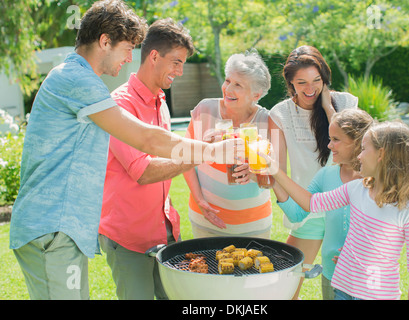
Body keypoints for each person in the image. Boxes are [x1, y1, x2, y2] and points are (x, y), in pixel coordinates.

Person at [9, 0, 241, 300]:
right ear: (104, 41)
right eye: (127, 48)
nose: (131, 58)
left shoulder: (77, 79)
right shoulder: (77, 80)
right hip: (52, 228)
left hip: (60, 229)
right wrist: (214, 152)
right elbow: (147, 140)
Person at [264, 120, 409, 300]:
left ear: (381, 154)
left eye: (364, 149)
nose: (359, 156)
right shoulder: (356, 189)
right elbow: (311, 203)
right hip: (342, 289)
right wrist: (274, 169)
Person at [98, 18, 196, 300]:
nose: (179, 71)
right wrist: (198, 155)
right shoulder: (120, 105)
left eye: (183, 64)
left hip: (164, 231)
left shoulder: (160, 101)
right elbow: (143, 171)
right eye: (176, 62)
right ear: (154, 56)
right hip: (128, 237)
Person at [268, 45, 358, 298]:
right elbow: (276, 169)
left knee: (343, 286)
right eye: (301, 82)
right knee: (286, 284)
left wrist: (330, 109)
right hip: (306, 209)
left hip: (348, 209)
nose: (310, 89)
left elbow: (359, 149)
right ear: (290, 83)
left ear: (325, 79)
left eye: (317, 81)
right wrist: (263, 175)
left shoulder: (347, 104)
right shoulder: (280, 114)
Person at [273, 109, 373, 299]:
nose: (329, 145)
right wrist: (274, 183)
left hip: (367, 273)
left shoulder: (376, 180)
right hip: (332, 273)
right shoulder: (326, 175)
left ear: (358, 142)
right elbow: (297, 214)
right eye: (329, 138)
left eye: (336, 140)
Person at [183, 50, 273, 238]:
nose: (228, 89)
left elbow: (273, 179)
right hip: (205, 218)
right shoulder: (205, 110)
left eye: (238, 84)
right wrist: (200, 201)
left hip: (253, 225)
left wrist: (254, 172)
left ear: (256, 94)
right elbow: (185, 158)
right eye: (227, 80)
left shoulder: (267, 121)